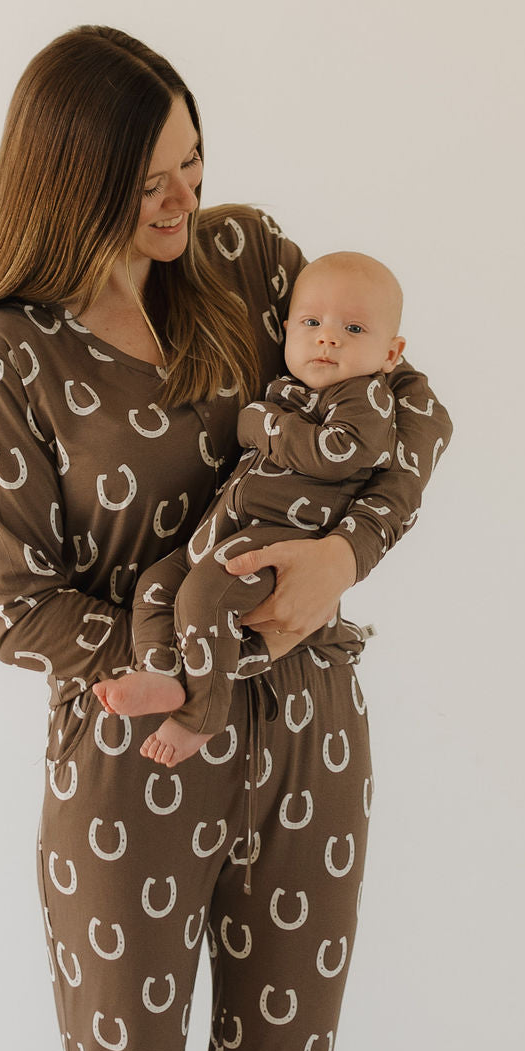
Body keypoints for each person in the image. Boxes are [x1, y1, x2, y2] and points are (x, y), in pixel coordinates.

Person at [0, 26, 452, 1051]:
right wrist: (186, 665)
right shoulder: (4, 350)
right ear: (67, 182)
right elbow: (19, 610)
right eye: (146, 182)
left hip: (308, 724)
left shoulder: (249, 258)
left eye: (192, 161)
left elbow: (410, 410)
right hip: (136, 744)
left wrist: (342, 561)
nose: (181, 199)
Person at [93, 251, 410, 769]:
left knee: (204, 596)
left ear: (391, 352)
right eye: (312, 323)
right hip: (222, 531)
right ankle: (161, 671)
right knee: (155, 586)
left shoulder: (366, 397)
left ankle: (201, 716)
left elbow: (335, 455)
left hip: (280, 537)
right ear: (286, 329)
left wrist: (260, 422)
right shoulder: (292, 391)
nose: (327, 337)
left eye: (353, 328)